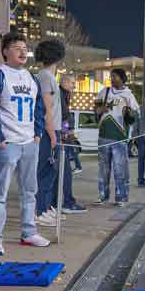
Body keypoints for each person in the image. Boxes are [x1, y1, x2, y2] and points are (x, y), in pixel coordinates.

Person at [0, 32, 51, 251]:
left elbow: (39, 108)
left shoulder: (31, 78)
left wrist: (38, 133)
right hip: (8, 143)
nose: (23, 51)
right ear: (5, 51)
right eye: (17, 47)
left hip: (29, 142)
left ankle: (29, 232)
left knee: (30, 191)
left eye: (25, 48)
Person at [33, 39, 79, 225]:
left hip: (55, 129)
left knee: (50, 171)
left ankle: (45, 207)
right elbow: (46, 109)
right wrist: (52, 134)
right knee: (44, 170)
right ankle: (40, 210)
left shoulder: (48, 77)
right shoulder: (45, 77)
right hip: (48, 131)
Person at [95, 68, 139, 206]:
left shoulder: (128, 95)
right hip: (103, 135)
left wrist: (129, 114)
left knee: (120, 169)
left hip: (120, 137)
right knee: (103, 169)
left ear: (122, 78)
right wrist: (99, 110)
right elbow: (95, 109)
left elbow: (136, 116)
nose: (112, 79)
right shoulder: (104, 91)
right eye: (111, 76)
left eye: (114, 76)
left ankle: (121, 197)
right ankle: (103, 196)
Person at [57, 73, 87, 205]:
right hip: (61, 138)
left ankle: (63, 202)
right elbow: (63, 116)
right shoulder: (60, 95)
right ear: (64, 82)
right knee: (64, 173)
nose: (74, 86)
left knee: (64, 172)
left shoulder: (64, 95)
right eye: (72, 83)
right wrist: (66, 130)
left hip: (63, 136)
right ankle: (67, 202)